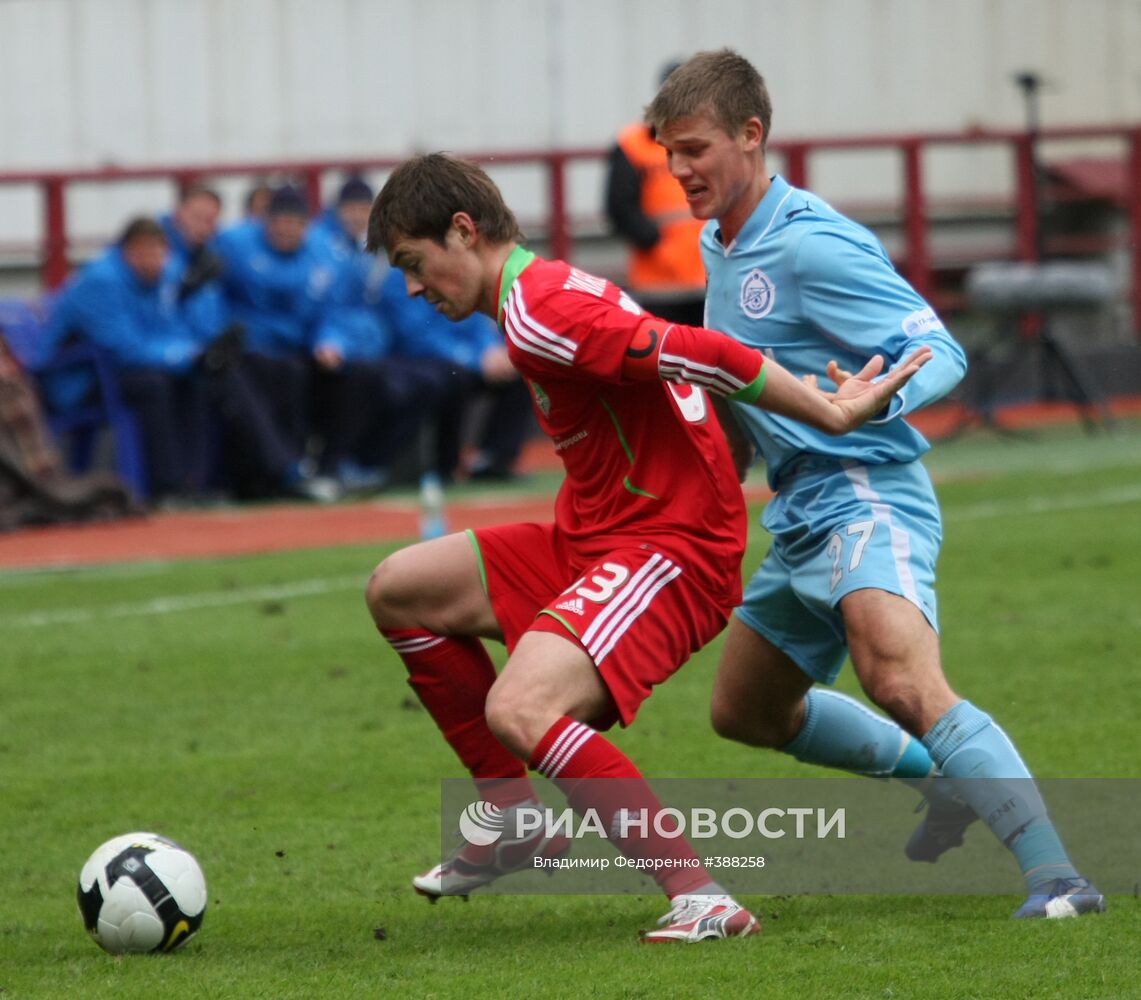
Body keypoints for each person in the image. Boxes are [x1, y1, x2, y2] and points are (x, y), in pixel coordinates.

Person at [362, 153, 928, 942]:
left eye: (414, 265)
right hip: (595, 535)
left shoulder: (539, 310)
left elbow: (701, 351)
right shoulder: (535, 291)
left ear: (463, 231)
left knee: (521, 708)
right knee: (398, 587)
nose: (414, 288)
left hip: (669, 548)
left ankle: (702, 898)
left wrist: (824, 413)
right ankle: (512, 817)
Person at [646, 48, 1105, 920]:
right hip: (802, 510)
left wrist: (871, 399)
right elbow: (758, 378)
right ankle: (946, 780)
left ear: (752, 135)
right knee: (744, 711)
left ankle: (1059, 879)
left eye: (695, 149)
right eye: (668, 152)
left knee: (897, 679)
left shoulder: (810, 240)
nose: (678, 170)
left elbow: (939, 344)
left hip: (864, 489)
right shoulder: (720, 242)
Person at [214, 184, 341, 500]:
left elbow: (333, 310)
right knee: (253, 378)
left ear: (306, 226)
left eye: (293, 222)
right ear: (265, 222)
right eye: (278, 221)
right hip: (245, 352)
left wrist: (330, 341)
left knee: (313, 375)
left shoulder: (324, 255)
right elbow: (212, 295)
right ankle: (284, 471)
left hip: (293, 352)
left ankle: (307, 467)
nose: (285, 229)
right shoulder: (233, 245)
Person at [380, 264, 532, 483]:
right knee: (453, 377)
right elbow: (416, 336)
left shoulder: (457, 268)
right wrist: (474, 358)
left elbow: (476, 319)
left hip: (466, 359)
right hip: (421, 363)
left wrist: (490, 349)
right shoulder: (403, 276)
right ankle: (447, 465)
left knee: (517, 368)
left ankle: (495, 459)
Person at [604, 59, 705, 326]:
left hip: (710, 279)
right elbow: (618, 209)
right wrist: (655, 244)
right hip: (659, 284)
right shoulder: (632, 144)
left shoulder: (711, 140)